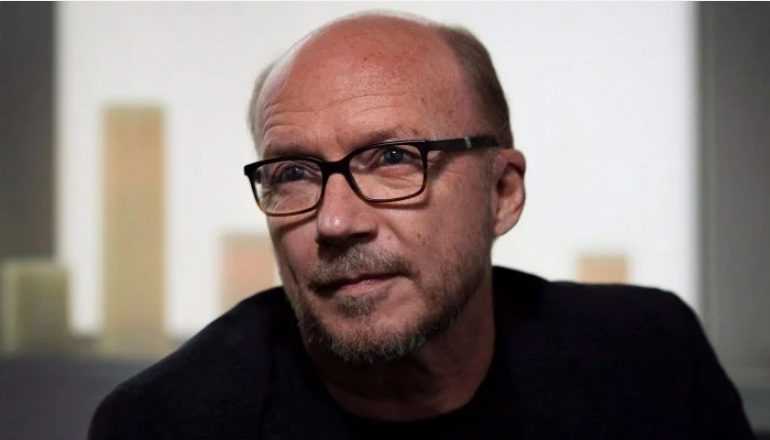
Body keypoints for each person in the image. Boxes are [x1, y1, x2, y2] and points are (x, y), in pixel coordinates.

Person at [89, 12, 755, 439]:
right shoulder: (168, 423)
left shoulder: (649, 357)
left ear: (502, 193)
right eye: (292, 172)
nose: (335, 221)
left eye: (392, 159)